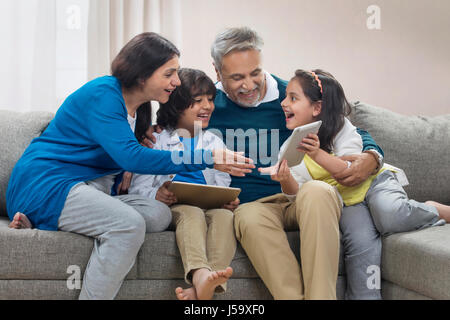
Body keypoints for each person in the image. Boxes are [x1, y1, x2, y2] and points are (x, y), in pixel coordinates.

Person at [6, 32, 254, 300]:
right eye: (169, 73)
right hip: (47, 183)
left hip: (85, 188)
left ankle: (45, 221)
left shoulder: (139, 110)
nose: (176, 81)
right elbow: (130, 156)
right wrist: (207, 157)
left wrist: (130, 160)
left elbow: (126, 154)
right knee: (129, 224)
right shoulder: (103, 94)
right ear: (142, 74)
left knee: (159, 215)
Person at [206, 27, 386, 300]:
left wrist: (372, 157)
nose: (250, 85)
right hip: (255, 206)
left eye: (255, 72)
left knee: (319, 191)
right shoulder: (207, 106)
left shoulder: (288, 97)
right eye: (237, 77)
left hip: (302, 195)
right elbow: (173, 136)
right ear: (218, 73)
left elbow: (346, 128)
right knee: (248, 216)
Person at [260, 68, 450, 299]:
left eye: (292, 97)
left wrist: (318, 154)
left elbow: (351, 174)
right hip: (348, 202)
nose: (283, 103)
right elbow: (297, 196)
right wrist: (286, 179)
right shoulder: (290, 147)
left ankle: (434, 209)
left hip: (373, 183)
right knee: (360, 242)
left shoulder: (341, 128)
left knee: (390, 213)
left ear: (317, 107)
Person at [127, 68, 237, 300]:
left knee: (225, 217)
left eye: (209, 100)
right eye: (197, 101)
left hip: (210, 205)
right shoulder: (157, 140)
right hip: (176, 206)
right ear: (177, 106)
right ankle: (199, 273)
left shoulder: (214, 141)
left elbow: (223, 183)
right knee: (192, 213)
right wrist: (156, 194)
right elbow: (138, 188)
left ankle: (209, 282)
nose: (207, 106)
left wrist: (228, 199)